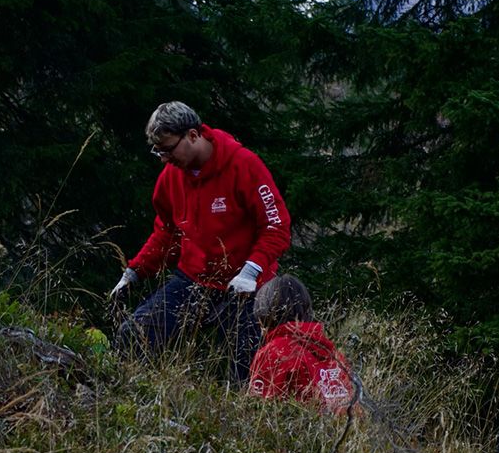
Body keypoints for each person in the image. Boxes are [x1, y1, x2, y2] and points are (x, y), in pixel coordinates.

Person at [111, 101, 292, 382]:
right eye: (157, 151)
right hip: (192, 281)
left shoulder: (243, 164)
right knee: (133, 334)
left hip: (247, 287)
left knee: (245, 370)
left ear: (193, 136)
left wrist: (251, 270)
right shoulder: (170, 177)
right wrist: (134, 271)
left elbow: (276, 225)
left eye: (168, 149)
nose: (163, 158)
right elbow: (167, 232)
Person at [248, 275, 357, 414]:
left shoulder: (273, 352)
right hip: (345, 431)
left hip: (299, 431)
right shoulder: (332, 353)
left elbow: (258, 410)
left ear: (264, 314)